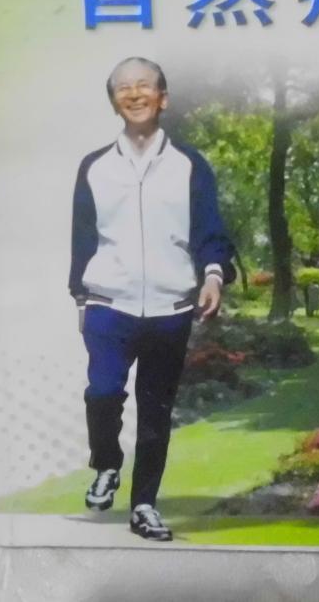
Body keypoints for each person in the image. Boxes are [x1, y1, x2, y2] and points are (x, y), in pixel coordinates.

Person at [68, 56, 235, 542]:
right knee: (102, 392)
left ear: (163, 98)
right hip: (108, 303)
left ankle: (143, 505)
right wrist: (80, 297)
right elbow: (82, 237)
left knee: (155, 411)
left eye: (145, 86)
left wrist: (213, 276)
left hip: (171, 309)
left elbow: (210, 230)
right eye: (124, 87)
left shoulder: (189, 165)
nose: (135, 94)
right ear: (113, 101)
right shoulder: (94, 167)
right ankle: (106, 463)